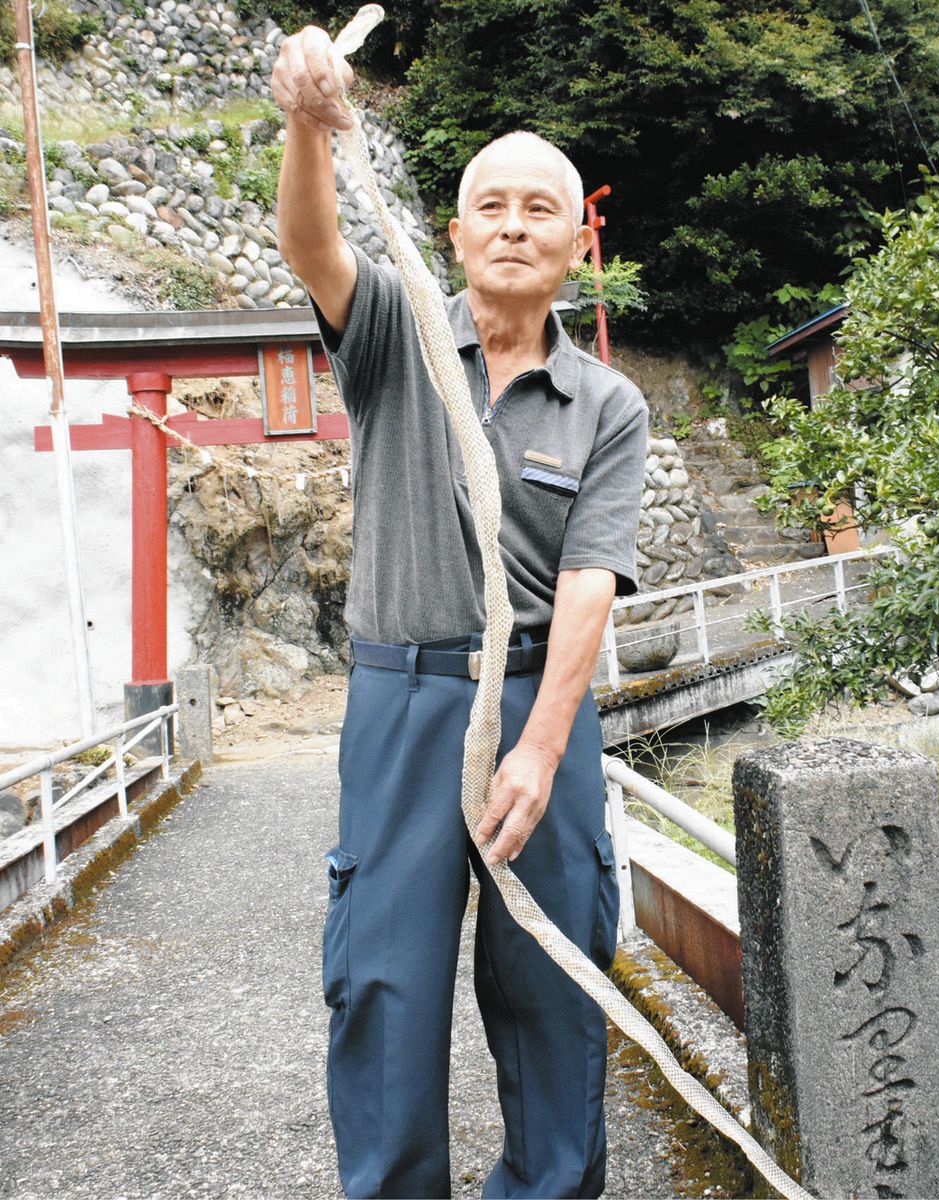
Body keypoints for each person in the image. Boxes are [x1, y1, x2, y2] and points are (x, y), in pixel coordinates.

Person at [272, 26, 649, 1200]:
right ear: (454, 232)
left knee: (553, 983)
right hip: (404, 697)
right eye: (490, 205)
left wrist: (541, 749)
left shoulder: (605, 404)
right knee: (383, 980)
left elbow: (590, 577)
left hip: (543, 701)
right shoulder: (395, 329)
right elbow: (309, 244)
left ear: (575, 243)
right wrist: (304, 123)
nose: (512, 226)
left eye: (540, 209)